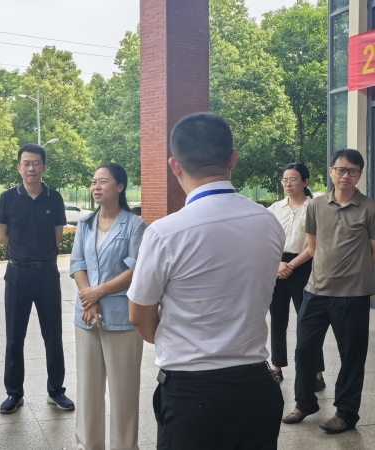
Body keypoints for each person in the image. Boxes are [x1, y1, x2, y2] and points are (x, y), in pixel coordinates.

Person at [128, 113, 285, 450]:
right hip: (257, 387)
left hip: (192, 394)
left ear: (174, 166)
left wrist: (174, 338)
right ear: (232, 158)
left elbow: (139, 315)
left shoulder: (165, 233)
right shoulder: (268, 222)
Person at [282, 149, 375, 434]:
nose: (346, 175)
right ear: (331, 171)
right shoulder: (316, 206)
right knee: (304, 349)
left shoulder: (369, 208)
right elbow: (312, 248)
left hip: (352, 295)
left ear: (360, 174)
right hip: (316, 291)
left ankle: (346, 413)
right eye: (341, 169)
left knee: (351, 356)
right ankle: (305, 403)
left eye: (352, 171)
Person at [70, 163, 146, 450]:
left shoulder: (135, 225)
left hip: (121, 317)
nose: (96, 187)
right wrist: (88, 298)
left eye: (103, 181)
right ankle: (87, 445)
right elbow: (77, 263)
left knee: (123, 390)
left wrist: (97, 293)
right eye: (93, 182)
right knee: (88, 388)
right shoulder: (85, 224)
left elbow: (135, 269)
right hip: (87, 316)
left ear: (120, 186)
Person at [0, 143, 74, 414]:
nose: (31, 168)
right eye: (26, 163)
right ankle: (14, 393)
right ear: (19, 167)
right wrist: (24, 254)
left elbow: (57, 238)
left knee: (53, 334)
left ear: (44, 167)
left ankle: (56, 391)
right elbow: (2, 236)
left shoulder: (55, 198)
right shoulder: (7, 198)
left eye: (36, 163)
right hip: (17, 273)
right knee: (14, 336)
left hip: (47, 273)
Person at [267, 163, 325, 390]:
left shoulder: (315, 207)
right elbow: (267, 239)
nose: (288, 184)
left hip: (304, 266)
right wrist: (277, 263)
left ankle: (316, 373)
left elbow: (314, 245)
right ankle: (276, 368)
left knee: (308, 321)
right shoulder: (275, 209)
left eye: (293, 179)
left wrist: (290, 264)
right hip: (277, 265)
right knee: (277, 319)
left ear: (305, 181)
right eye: (285, 179)